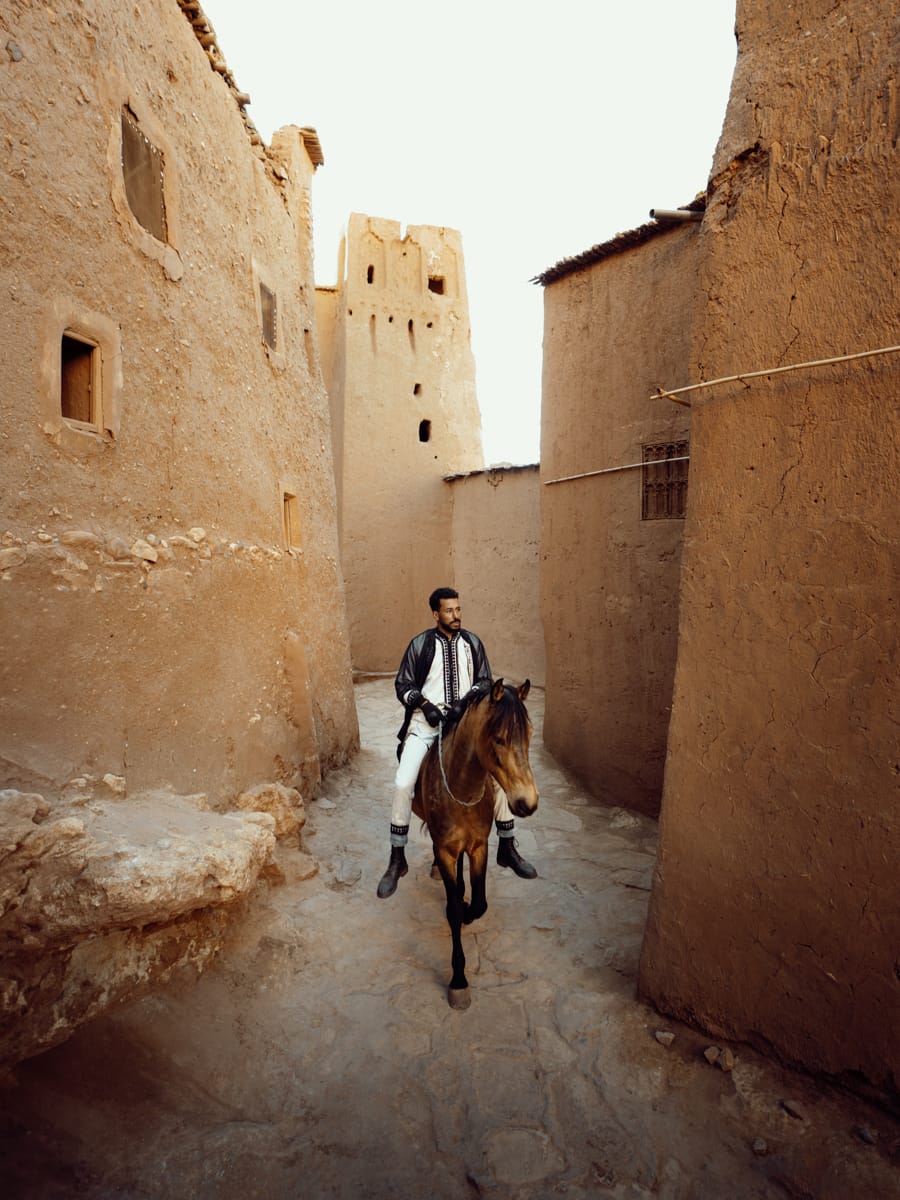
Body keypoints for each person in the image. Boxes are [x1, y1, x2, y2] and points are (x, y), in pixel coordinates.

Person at [376, 586, 537, 899]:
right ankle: (397, 857)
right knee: (403, 783)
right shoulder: (420, 645)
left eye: (458, 610)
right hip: (426, 726)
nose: (455, 616)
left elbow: (485, 680)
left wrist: (465, 704)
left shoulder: (472, 643)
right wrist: (425, 705)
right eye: (449, 611)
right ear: (436, 614)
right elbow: (403, 685)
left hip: (463, 727)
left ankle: (506, 846)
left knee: (499, 777)